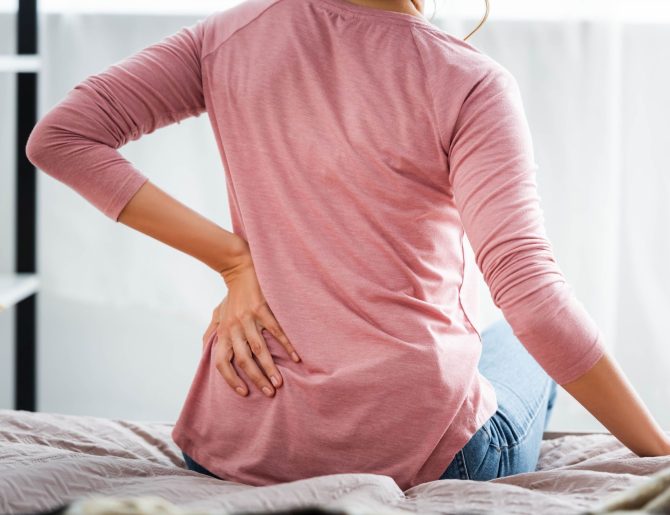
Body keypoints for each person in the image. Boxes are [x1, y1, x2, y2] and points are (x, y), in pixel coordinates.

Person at [25, 0, 670, 490]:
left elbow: (61, 139)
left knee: (492, 332)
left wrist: (234, 261)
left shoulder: (230, 35)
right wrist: (659, 458)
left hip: (233, 445)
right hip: (428, 455)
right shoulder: (468, 80)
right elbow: (532, 297)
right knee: (516, 343)